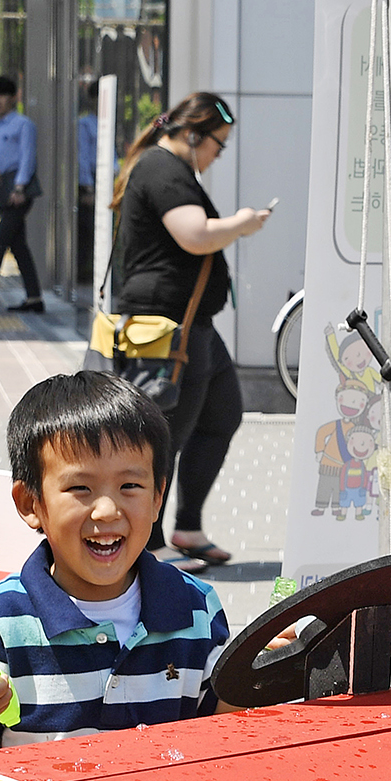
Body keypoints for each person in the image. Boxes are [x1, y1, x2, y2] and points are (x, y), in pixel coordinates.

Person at [0, 372, 230, 750]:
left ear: (158, 497)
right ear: (30, 504)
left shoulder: (196, 607)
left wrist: (259, 673)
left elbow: (223, 733)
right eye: (80, 488)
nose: (107, 510)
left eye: (130, 486)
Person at [108, 91, 272, 565]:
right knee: (166, 436)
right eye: (219, 144)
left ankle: (187, 527)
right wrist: (241, 223)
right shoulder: (162, 169)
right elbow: (195, 234)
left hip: (192, 324)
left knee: (222, 414)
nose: (219, 155)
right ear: (196, 134)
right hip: (168, 327)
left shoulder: (169, 168)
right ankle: (150, 544)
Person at [0, 74, 42, 312]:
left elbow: (27, 158)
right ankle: (35, 298)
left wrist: (19, 187)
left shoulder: (24, 125)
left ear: (13, 97)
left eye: (3, 95)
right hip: (2, 191)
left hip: (18, 192)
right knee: (18, 246)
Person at [76, 81, 100, 291]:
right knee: (88, 229)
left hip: (104, 179)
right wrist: (87, 187)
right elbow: (82, 156)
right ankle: (83, 272)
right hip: (91, 182)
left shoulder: (107, 122)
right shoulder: (85, 124)